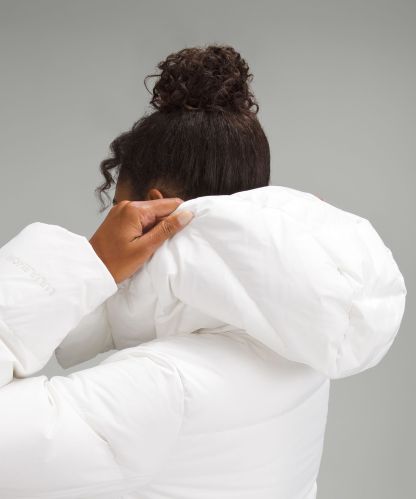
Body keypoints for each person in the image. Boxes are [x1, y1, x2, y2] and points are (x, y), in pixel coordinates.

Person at [0, 45, 407, 499]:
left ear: (150, 210)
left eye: (118, 210)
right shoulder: (295, 342)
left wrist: (83, 265)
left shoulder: (163, 385)